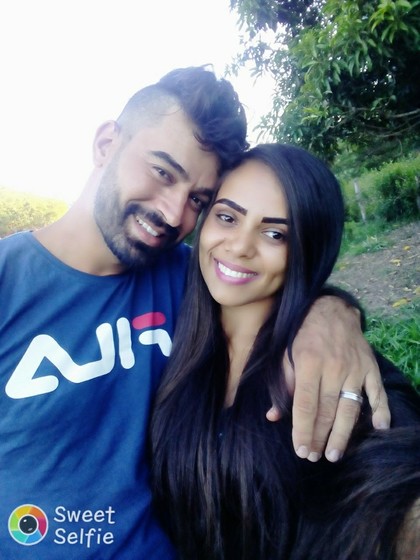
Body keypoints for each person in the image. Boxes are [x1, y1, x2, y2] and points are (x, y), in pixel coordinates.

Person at [0, 66, 388, 559]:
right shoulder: (9, 281)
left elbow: (277, 284)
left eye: (198, 200)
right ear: (105, 144)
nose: (172, 213)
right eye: (163, 172)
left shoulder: (192, 278)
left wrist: (332, 314)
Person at [151, 143, 420, 559]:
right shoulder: (169, 317)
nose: (240, 246)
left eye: (275, 234)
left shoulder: (331, 370)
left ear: (308, 250)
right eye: (227, 217)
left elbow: (394, 474)